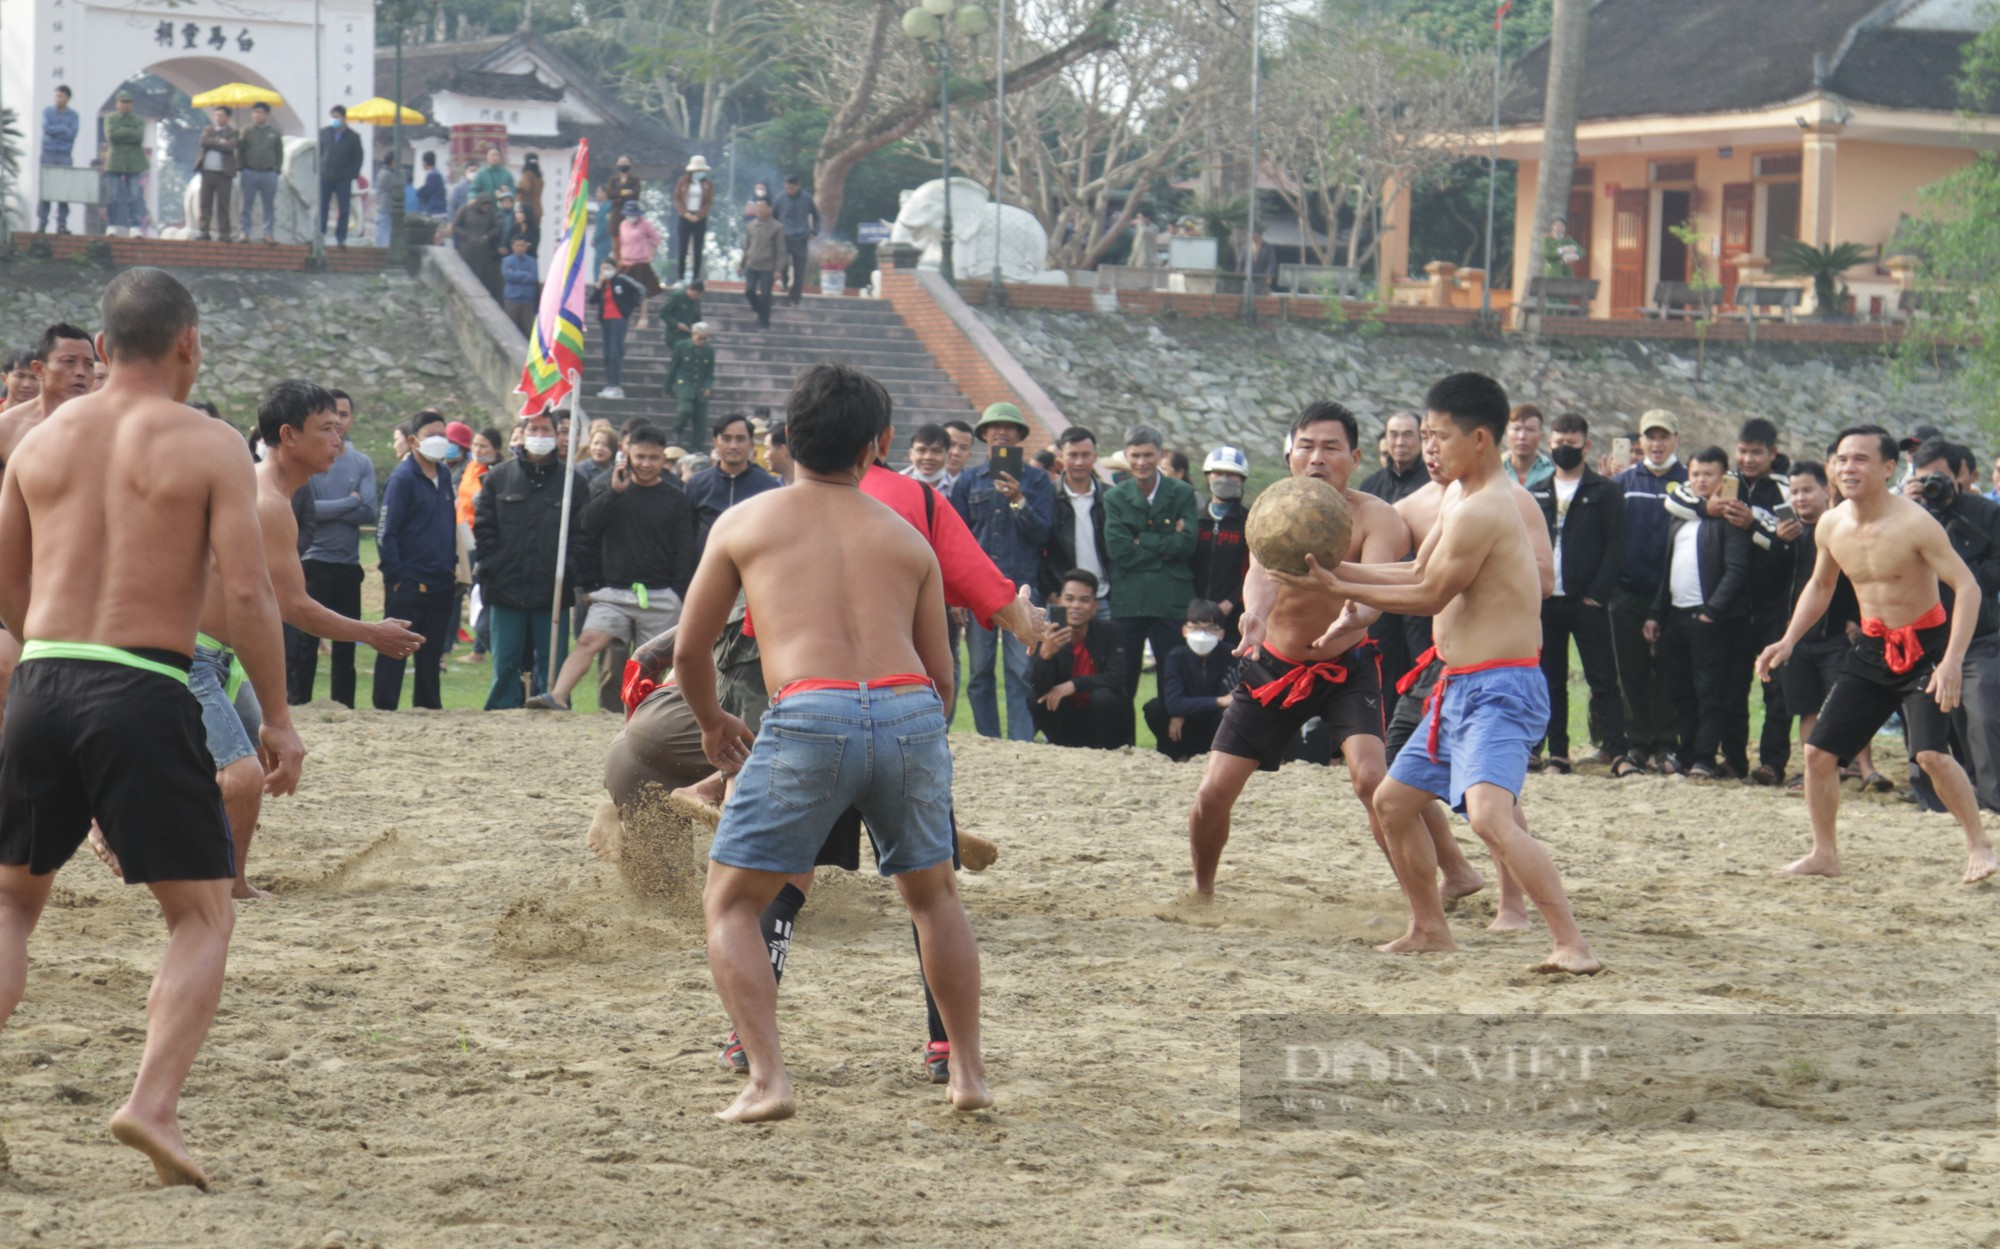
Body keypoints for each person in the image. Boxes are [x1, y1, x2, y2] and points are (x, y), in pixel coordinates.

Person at [0, 266, 304, 1190]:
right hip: (141, 684)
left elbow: (6, 585)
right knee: (202, 911)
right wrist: (280, 715)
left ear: (97, 350)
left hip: (41, 683)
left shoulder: (37, 444)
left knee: (12, 900)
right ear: (189, 344)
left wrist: (48, 647)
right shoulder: (209, 443)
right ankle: (152, 1103)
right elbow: (248, 594)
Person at [673, 361, 989, 1122]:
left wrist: (715, 721)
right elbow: (943, 677)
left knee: (731, 902)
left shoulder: (746, 522)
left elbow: (689, 651)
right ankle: (968, 1073)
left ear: (784, 440)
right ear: (878, 444)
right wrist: (910, 744)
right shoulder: (908, 536)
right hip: (909, 710)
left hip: (810, 710)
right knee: (933, 894)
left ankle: (768, 1078)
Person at [1297, 373, 1599, 974]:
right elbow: (1414, 571)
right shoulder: (1461, 498)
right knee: (1391, 802)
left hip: (1502, 689)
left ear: (1480, 439)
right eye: (1424, 435)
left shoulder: (1488, 505)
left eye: (1438, 436)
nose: (1428, 447)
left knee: (1488, 815)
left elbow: (1432, 592)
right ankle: (1430, 928)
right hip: (1456, 688)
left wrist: (1336, 581)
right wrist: (1339, 576)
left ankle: (1572, 945)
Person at [1186, 400, 1416, 901]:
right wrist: (1255, 616)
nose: (1317, 457)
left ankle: (1416, 894)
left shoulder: (1378, 516)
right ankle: (1202, 890)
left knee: (1372, 779)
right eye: (1306, 446)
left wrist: (1359, 613)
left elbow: (1377, 584)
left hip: (1346, 667)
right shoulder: (1273, 507)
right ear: (1290, 454)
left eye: (1331, 447)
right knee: (1212, 793)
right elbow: (1260, 574)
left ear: (1355, 458)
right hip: (1273, 665)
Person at [1755, 427, 1997, 884]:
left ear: (1888, 468)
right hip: (1871, 649)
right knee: (1817, 754)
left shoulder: (1916, 523)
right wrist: (1788, 640)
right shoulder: (1831, 523)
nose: (1849, 468)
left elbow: (1967, 588)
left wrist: (1951, 661)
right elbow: (1822, 586)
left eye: (1861, 459)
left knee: (1931, 756)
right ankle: (1824, 853)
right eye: (1842, 459)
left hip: (1926, 649)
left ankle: (1980, 846)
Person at [531, 428, 694, 711]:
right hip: (614, 590)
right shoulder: (608, 487)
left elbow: (684, 550)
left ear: (663, 458)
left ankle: (647, 714)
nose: (646, 463)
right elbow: (587, 526)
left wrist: (679, 593)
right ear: (627, 454)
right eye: (640, 456)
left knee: (653, 664)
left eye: (653, 458)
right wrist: (615, 494)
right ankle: (556, 696)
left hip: (661, 594)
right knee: (588, 639)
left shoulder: (676, 498)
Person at [1668, 418, 1794, 783]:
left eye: (1757, 452)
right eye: (1743, 451)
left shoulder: (1784, 490)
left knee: (1776, 691)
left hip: (1773, 604)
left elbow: (1788, 542)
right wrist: (1709, 509)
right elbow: (1675, 500)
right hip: (1735, 608)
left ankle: (1772, 762)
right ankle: (1735, 759)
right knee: (1733, 687)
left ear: (1773, 452)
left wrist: (1752, 526)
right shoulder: (1726, 483)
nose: (1749, 458)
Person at [1901, 437, 2000, 814]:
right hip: (1924, 638)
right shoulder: (1906, 515)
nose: (1932, 486)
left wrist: (1964, 579)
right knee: (1926, 723)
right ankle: (1932, 802)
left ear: (1960, 474)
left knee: (1985, 718)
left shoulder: (1985, 512)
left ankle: (1993, 802)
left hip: (1980, 636)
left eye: (1939, 477)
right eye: (1923, 478)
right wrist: (1911, 508)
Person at [1776, 461, 1884, 790]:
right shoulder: (1786, 537)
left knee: (1850, 704)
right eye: (1793, 492)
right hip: (1797, 639)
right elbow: (1773, 585)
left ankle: (1866, 769)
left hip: (1838, 635)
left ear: (1826, 490)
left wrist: (1856, 618)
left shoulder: (1844, 528)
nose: (1800, 498)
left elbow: (1858, 579)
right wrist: (1780, 545)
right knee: (1807, 709)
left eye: (1807, 490)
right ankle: (1816, 775)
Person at [1532, 412, 1630, 775]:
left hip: (1587, 601)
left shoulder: (1605, 492)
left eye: (1571, 444)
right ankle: (1557, 753)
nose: (1563, 449)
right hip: (1545, 601)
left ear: (1587, 446)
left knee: (1603, 679)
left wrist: (1597, 594)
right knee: (1550, 680)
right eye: (1557, 443)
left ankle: (1617, 753)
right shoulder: (1537, 490)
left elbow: (1616, 545)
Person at [1646, 447, 1752, 780]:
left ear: (1724, 478)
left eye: (1709, 474)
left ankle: (1706, 757)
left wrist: (1712, 612)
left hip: (1710, 620)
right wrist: (1655, 614)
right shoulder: (1683, 517)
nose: (1701, 480)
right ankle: (1687, 752)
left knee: (1711, 691)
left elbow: (1737, 571)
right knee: (1681, 690)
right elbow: (1667, 572)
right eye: (1695, 474)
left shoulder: (1731, 518)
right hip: (1676, 617)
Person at [951, 402, 1054, 742]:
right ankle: (988, 741)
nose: (1002, 433)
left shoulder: (1038, 481)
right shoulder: (968, 481)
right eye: (995, 429)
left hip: (1021, 589)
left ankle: (1021, 741)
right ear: (984, 436)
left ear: (1020, 437)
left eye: (1010, 429)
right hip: (977, 590)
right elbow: (956, 540)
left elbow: (1043, 533)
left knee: (1021, 670)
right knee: (979, 671)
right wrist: (957, 595)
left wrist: (1018, 500)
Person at [473, 410, 587, 709]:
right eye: (533, 429)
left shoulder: (573, 482)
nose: (539, 435)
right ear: (521, 434)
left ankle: (555, 710)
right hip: (506, 588)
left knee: (553, 668)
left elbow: (581, 533)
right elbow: (484, 528)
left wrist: (569, 571)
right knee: (506, 666)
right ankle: (500, 715)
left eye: (546, 429)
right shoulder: (499, 477)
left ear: (557, 434)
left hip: (553, 592)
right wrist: (493, 567)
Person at [1610, 409, 1690, 773]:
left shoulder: (1690, 482)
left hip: (1674, 596)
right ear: (1640, 442)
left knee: (1670, 671)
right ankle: (1637, 742)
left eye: (1664, 436)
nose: (1657, 444)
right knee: (1631, 671)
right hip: (1628, 592)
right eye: (1650, 437)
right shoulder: (1623, 483)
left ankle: (1665, 743)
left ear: (1676, 439)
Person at [288, 389, 376, 707]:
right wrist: (348, 503)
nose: (338, 421)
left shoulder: (361, 462)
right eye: (332, 415)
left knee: (347, 641)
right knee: (305, 641)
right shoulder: (310, 460)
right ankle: (299, 703)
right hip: (314, 560)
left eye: (344, 414)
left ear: (351, 419)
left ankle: (345, 705)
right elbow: (308, 511)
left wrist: (333, 508)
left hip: (348, 564)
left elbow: (368, 511)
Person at [1104, 424, 1197, 708]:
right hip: (1130, 600)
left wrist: (1141, 540)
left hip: (1171, 600)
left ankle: (1172, 748)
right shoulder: (1115, 497)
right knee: (1124, 678)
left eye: (1148, 455)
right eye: (1135, 455)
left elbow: (1187, 545)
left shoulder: (1182, 492)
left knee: (1172, 678)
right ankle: (1122, 745)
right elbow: (1118, 550)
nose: (1142, 462)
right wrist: (1166, 545)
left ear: (1160, 454)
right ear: (1126, 456)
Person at [371, 413, 458, 710]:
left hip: (441, 579)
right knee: (395, 647)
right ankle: (385, 707)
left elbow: (449, 522)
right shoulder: (402, 478)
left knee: (431, 653)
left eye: (442, 434)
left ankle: (428, 706)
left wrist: (452, 563)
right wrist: (396, 576)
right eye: (431, 434)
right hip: (408, 580)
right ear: (412, 440)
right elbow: (386, 532)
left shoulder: (444, 475)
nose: (439, 440)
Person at [1029, 570, 1130, 748]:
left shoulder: (1110, 631)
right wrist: (1045, 656)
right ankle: (1064, 748)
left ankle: (1105, 752)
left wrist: (1074, 685)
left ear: (1094, 606)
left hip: (1104, 721)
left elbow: (1117, 676)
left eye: (1084, 600)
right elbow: (1038, 687)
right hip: (1070, 720)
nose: (1075, 605)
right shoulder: (1049, 634)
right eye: (1069, 599)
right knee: (1035, 699)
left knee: (1102, 697)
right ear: (1059, 602)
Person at [1144, 599, 1233, 761]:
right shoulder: (1176, 657)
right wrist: (1218, 701)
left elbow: (1234, 701)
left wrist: (1184, 708)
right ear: (1185, 630)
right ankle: (1176, 756)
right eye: (1196, 628)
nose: (1202, 635)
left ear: (1221, 634)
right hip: (1186, 727)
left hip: (1216, 726)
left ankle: (1224, 757)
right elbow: (1173, 703)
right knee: (1154, 708)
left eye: (1210, 629)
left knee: (1229, 714)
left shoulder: (1231, 655)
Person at [1040, 426, 1112, 618]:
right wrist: (1051, 593)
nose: (1079, 462)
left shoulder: (1110, 496)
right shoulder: (1047, 496)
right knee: (1057, 647)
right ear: (1061, 458)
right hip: (1062, 597)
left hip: (1103, 597)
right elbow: (1037, 547)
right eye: (1073, 455)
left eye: (1085, 455)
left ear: (1095, 457)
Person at [686, 412, 780, 549]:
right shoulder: (697, 484)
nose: (733, 446)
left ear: (751, 443)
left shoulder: (769, 487)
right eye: (726, 439)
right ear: (715, 443)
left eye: (740, 439)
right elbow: (687, 534)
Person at [1191, 446, 1250, 651]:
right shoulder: (1194, 519)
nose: (1224, 479)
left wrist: (1231, 602)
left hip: (1233, 613)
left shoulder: (1250, 522)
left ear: (1241, 479)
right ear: (1208, 476)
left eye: (1231, 474)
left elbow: (1253, 569)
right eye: (1219, 473)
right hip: (1193, 614)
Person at [592, 261, 645, 400]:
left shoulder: (621, 280)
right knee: (608, 354)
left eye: (608, 268)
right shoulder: (604, 284)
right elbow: (593, 300)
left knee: (615, 353)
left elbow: (641, 290)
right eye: (603, 269)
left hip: (618, 320)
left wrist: (629, 307)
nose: (605, 271)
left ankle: (616, 385)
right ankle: (610, 384)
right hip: (606, 321)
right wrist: (599, 284)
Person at [234, 101, 283, 244]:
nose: (256, 115)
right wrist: (241, 166)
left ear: (267, 115)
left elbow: (279, 152)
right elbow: (239, 150)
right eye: (254, 112)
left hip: (269, 173)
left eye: (259, 112)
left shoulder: (274, 132)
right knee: (246, 204)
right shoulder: (246, 131)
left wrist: (277, 168)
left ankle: (268, 233)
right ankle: (245, 232)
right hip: (249, 172)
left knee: (268, 205)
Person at [317, 105, 364, 249]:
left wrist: (352, 174)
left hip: (343, 178)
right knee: (323, 207)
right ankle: (321, 234)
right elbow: (318, 153)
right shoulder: (324, 133)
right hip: (325, 176)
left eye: (337, 117)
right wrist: (318, 170)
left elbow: (358, 158)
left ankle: (341, 237)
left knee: (344, 209)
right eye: (332, 116)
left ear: (344, 118)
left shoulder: (353, 137)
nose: (334, 120)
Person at [104, 92, 147, 239]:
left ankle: (134, 226)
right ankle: (112, 225)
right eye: (123, 102)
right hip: (115, 160)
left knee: (134, 196)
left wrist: (121, 132)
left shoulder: (138, 119)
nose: (125, 105)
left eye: (128, 102)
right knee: (112, 196)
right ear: (117, 104)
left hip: (134, 161)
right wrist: (129, 131)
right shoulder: (111, 118)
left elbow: (139, 136)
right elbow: (112, 136)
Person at [36, 85, 79, 234]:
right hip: (48, 153)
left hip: (64, 155)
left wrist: (57, 130)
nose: (57, 99)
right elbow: (46, 128)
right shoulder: (47, 111)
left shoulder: (73, 115)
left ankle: (62, 224)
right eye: (56, 96)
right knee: (45, 190)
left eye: (60, 96)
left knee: (63, 191)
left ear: (67, 98)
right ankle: (42, 223)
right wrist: (63, 128)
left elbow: (72, 134)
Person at [193, 106, 239, 243]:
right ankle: (204, 231)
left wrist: (214, 143)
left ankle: (224, 233)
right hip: (207, 171)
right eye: (216, 115)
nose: (218, 118)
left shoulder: (233, 132)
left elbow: (231, 146)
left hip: (224, 173)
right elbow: (203, 141)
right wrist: (220, 142)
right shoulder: (208, 129)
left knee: (223, 204)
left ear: (228, 117)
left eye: (221, 115)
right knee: (205, 203)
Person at [616, 202, 663, 330]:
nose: (630, 217)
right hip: (626, 261)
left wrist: (651, 254)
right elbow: (622, 243)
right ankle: (624, 316)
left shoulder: (645, 224)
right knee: (621, 290)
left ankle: (644, 317)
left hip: (641, 263)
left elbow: (656, 239)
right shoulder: (623, 225)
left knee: (643, 291)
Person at [668, 322, 716, 447]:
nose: (702, 341)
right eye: (700, 337)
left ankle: (696, 447)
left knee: (701, 419)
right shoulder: (681, 346)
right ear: (693, 335)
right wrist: (667, 387)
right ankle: (677, 430)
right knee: (685, 410)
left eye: (705, 338)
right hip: (685, 385)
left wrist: (708, 386)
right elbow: (673, 367)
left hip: (700, 388)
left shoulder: (709, 350)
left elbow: (709, 372)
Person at [775, 175, 821, 304]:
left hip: (801, 239)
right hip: (784, 238)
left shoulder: (807, 199)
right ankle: (784, 283)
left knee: (799, 270)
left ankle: (795, 297)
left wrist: (814, 231)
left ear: (798, 186)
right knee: (782, 265)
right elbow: (773, 218)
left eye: (792, 188)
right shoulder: (780, 199)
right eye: (788, 188)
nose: (790, 190)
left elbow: (817, 218)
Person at [452, 192, 504, 300]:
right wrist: (466, 235)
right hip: (467, 249)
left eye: (488, 205)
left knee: (482, 276)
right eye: (484, 204)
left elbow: (497, 228)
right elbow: (455, 226)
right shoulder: (465, 210)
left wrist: (487, 236)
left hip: (483, 252)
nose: (486, 207)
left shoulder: (490, 214)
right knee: (466, 273)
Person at [672, 154, 714, 283]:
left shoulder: (708, 184)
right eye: (697, 170)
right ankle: (680, 277)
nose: (699, 172)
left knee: (698, 248)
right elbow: (677, 199)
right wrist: (685, 213)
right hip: (685, 217)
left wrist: (699, 215)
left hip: (699, 218)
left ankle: (695, 277)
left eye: (701, 170)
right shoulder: (682, 182)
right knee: (683, 248)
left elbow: (708, 202)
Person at [742, 200, 784, 329]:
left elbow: (781, 250)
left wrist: (778, 269)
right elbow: (747, 246)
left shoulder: (777, 227)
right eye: (757, 208)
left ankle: (764, 323)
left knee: (766, 295)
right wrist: (741, 264)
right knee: (749, 291)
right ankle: (758, 309)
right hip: (752, 264)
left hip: (768, 267)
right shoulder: (750, 225)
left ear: (769, 209)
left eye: (762, 207)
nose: (759, 210)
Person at [1502, 403, 1554, 489]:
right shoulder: (1492, 472)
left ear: (1541, 436)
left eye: (1530, 430)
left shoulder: (1551, 474)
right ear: (1506, 433)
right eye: (1516, 429)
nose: (1522, 436)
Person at [501, 236, 539, 336]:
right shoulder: (507, 260)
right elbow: (508, 276)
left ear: (526, 247)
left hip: (527, 299)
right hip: (512, 298)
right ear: (513, 247)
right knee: (510, 328)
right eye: (517, 245)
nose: (520, 248)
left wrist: (515, 274)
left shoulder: (532, 261)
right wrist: (524, 273)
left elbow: (533, 278)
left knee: (528, 329)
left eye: (522, 245)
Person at [661, 280, 704, 348]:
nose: (696, 297)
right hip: (675, 333)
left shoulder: (696, 301)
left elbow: (697, 318)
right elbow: (663, 313)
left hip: (689, 334)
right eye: (696, 294)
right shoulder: (677, 296)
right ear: (691, 289)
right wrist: (677, 324)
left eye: (699, 295)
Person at [516, 152, 545, 239]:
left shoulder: (528, 174)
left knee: (523, 235)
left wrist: (515, 188)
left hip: (527, 210)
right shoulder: (539, 176)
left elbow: (525, 189)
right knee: (534, 235)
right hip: (538, 210)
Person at [943, 420, 974, 491]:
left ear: (969, 455)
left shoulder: (973, 487)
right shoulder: (916, 480)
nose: (956, 452)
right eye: (951, 444)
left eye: (963, 448)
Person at [415, 151, 447, 218]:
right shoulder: (436, 174)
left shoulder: (433, 175)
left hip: (435, 210)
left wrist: (418, 191)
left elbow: (425, 191)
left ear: (425, 163)